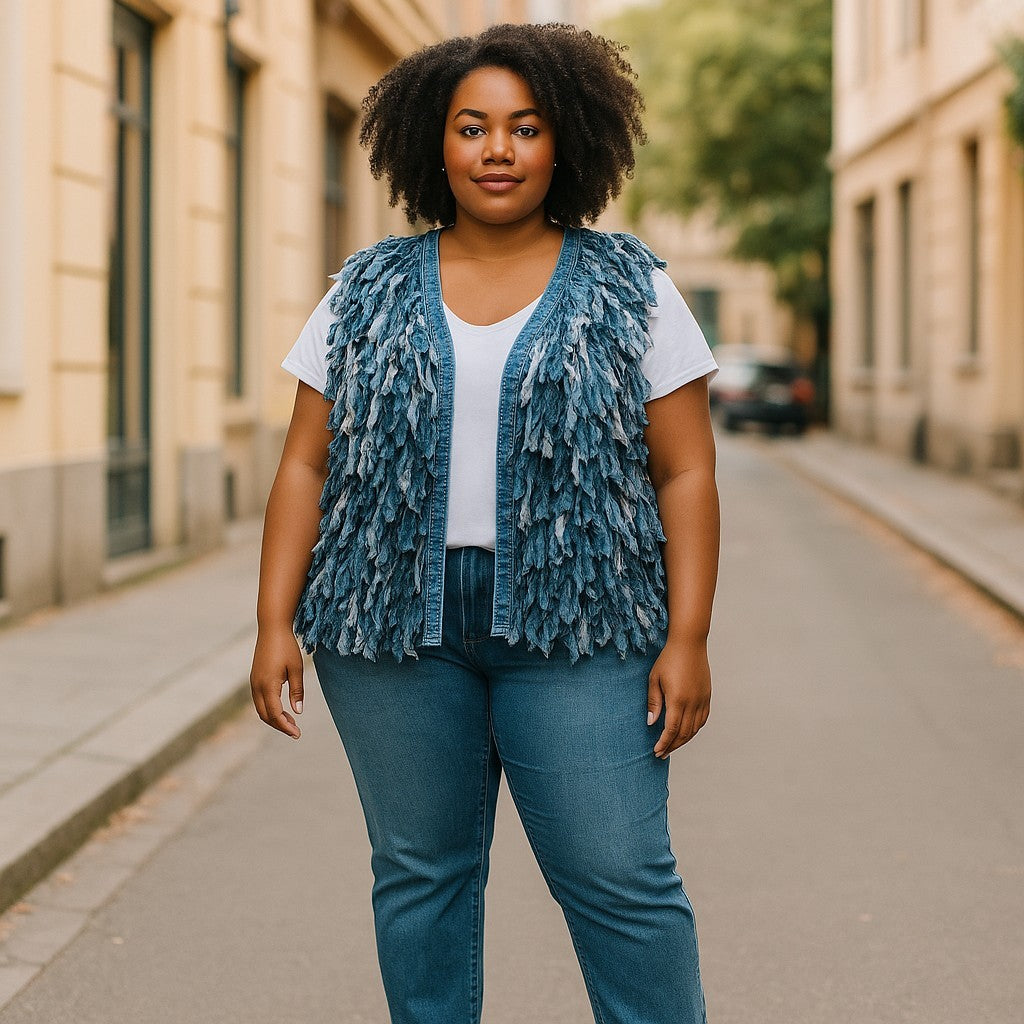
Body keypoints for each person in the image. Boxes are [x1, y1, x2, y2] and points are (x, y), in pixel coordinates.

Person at [250, 22, 719, 1024]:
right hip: (389, 634)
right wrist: (271, 621)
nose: (497, 150)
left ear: (567, 144)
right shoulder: (363, 289)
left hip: (584, 627)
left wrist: (687, 635)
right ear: (436, 143)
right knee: (421, 878)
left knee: (619, 877)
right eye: (473, 128)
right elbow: (304, 460)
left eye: (525, 127)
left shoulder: (633, 287)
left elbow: (685, 471)